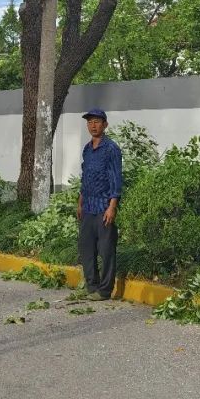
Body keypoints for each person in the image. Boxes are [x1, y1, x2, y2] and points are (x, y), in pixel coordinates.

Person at [77, 108, 122, 301]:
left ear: (105, 124)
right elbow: (85, 178)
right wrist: (80, 203)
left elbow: (116, 179)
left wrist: (112, 206)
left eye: (97, 122)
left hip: (104, 207)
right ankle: (91, 286)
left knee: (106, 250)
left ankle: (105, 290)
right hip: (87, 207)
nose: (93, 125)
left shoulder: (111, 148)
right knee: (86, 249)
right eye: (90, 122)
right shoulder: (87, 149)